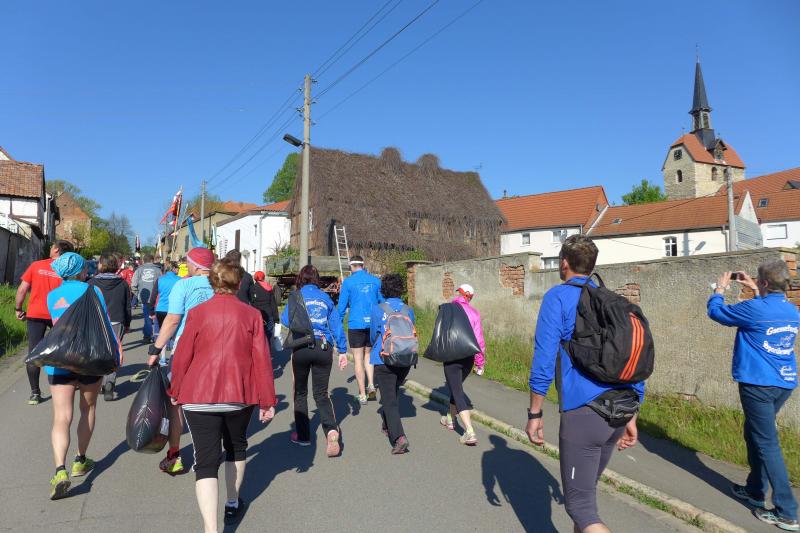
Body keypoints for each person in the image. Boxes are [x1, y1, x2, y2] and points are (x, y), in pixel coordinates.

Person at [526, 235, 643, 533]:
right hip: (619, 411)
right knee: (585, 501)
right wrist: (633, 413)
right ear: (592, 266)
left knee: (581, 507)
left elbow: (544, 357)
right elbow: (634, 357)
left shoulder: (557, 297)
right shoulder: (613, 302)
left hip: (584, 414)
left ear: (564, 263)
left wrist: (535, 413)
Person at [169, 260, 276, 531]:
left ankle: (210, 528)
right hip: (239, 394)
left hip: (198, 394)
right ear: (239, 284)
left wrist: (176, 389)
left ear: (212, 282)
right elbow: (262, 360)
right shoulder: (252, 314)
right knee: (236, 446)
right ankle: (232, 502)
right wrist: (267, 400)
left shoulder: (197, 313)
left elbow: (182, 355)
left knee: (205, 461)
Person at [708, 262, 799, 531]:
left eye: (759, 280)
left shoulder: (754, 309)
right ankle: (755, 490)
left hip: (758, 384)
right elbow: (765, 313)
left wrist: (720, 289)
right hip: (783, 383)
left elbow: (716, 312)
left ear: (765, 283)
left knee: (767, 443)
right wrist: (757, 290)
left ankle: (787, 512)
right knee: (754, 433)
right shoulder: (792, 310)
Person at [45, 252, 119, 500]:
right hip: (89, 359)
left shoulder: (52, 295)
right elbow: (104, 324)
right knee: (88, 409)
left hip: (60, 360)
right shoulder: (93, 291)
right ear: (80, 271)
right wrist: (115, 354)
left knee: (61, 416)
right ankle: (80, 460)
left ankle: (60, 470)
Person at [147, 247, 215, 475]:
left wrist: (156, 349)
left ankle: (174, 455)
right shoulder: (221, 285)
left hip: (186, 350)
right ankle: (207, 453)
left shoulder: (183, 285)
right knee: (209, 402)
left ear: (194, 265)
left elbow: (173, 320)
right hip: (216, 351)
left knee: (176, 402)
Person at [280, 265, 348, 457]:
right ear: (317, 279)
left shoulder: (296, 296)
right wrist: (342, 350)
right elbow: (336, 325)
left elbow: (285, 320)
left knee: (300, 392)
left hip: (302, 347)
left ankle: (303, 436)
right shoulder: (325, 298)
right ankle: (332, 430)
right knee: (321, 393)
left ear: (300, 279)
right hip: (323, 347)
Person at [15, 240, 74, 405]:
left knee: (34, 352)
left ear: (56, 250)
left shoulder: (36, 266)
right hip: (59, 313)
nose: (50, 248)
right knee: (63, 348)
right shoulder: (67, 270)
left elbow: (22, 289)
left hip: (36, 313)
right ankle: (65, 384)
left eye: (52, 246)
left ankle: (35, 393)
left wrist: (18, 308)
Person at [369, 273, 415, 454]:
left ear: (384, 290)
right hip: (405, 358)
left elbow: (373, 335)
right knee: (393, 394)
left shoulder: (378, 309)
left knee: (389, 400)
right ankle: (387, 424)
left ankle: (399, 438)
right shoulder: (408, 310)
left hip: (384, 359)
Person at [439, 283, 486, 446]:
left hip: (452, 356)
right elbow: (479, 340)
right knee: (456, 387)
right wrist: (480, 363)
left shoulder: (449, 309)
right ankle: (450, 419)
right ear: (470, 297)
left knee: (457, 392)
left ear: (459, 293)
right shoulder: (475, 313)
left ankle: (469, 431)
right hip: (468, 358)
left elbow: (441, 333)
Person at [337, 255, 383, 405]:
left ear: (351, 266)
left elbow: (342, 306)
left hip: (356, 323)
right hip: (372, 324)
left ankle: (362, 395)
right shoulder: (375, 281)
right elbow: (382, 302)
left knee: (358, 359)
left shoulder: (348, 282)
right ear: (363, 265)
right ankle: (371, 384)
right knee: (368, 355)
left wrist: (337, 324)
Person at [88, 254, 132, 401]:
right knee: (113, 352)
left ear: (102, 265)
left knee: (97, 351)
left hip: (96, 321)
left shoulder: (92, 282)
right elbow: (127, 306)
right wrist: (127, 323)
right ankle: (109, 383)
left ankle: (99, 381)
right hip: (117, 321)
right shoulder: (123, 284)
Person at [148, 261, 181, 362]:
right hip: (175, 310)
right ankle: (173, 357)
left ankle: (162, 358)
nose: (179, 270)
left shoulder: (160, 279)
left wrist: (151, 312)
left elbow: (153, 297)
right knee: (174, 334)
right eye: (178, 268)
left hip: (161, 309)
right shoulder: (180, 280)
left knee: (162, 333)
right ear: (174, 269)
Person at [132, 254, 162, 343]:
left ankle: (147, 336)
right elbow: (162, 283)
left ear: (143, 260)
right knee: (156, 319)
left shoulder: (139, 270)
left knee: (147, 318)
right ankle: (157, 336)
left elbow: (133, 285)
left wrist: (138, 295)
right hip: (156, 298)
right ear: (152, 260)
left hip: (144, 298)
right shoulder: (158, 270)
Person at [252, 271, 280, 341]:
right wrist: (276, 318)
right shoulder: (269, 287)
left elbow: (252, 303)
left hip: (258, 316)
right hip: (269, 315)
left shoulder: (253, 288)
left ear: (255, 278)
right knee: (268, 337)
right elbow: (273, 304)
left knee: (258, 337)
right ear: (263, 278)